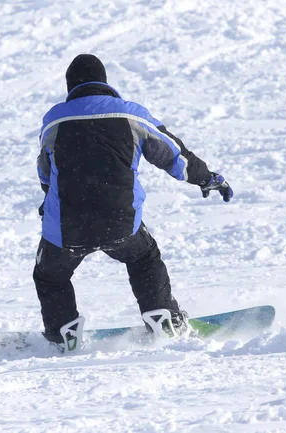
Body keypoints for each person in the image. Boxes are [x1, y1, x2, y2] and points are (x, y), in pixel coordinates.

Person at [34, 54, 233, 347]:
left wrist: (48, 202)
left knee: (51, 276)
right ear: (103, 82)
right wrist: (206, 178)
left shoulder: (54, 121)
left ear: (70, 86)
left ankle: (63, 336)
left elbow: (45, 172)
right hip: (120, 222)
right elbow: (174, 154)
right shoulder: (131, 115)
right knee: (143, 258)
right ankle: (163, 320)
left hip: (66, 227)